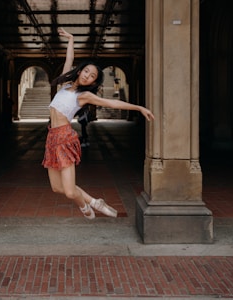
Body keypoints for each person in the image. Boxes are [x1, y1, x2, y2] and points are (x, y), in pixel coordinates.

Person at [42, 28, 155, 219]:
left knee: (70, 192)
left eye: (92, 76)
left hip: (64, 138)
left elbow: (112, 103)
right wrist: (71, 39)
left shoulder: (84, 96)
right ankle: (95, 202)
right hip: (51, 137)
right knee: (57, 188)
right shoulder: (65, 86)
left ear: (93, 81)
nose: (87, 75)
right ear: (80, 71)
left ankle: (86, 207)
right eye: (86, 71)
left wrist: (139, 108)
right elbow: (69, 59)